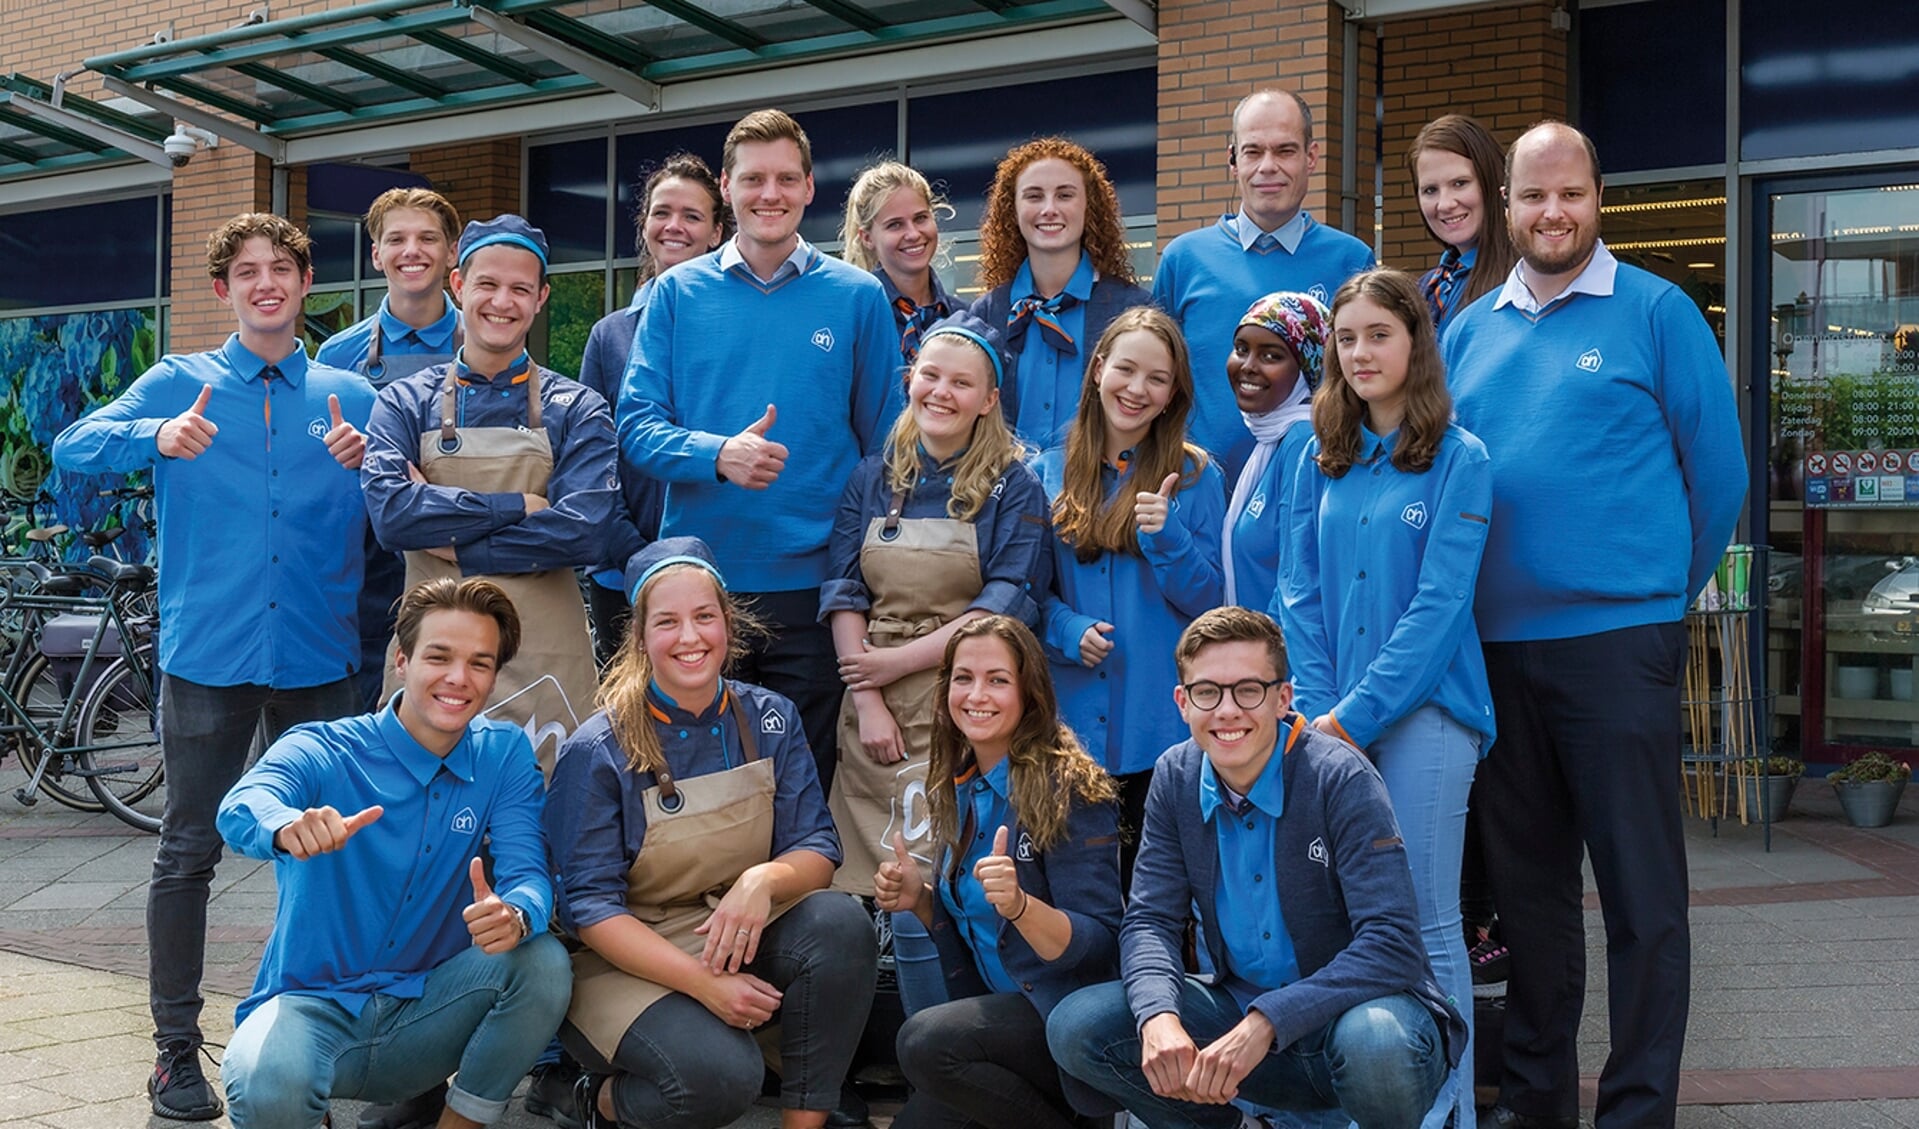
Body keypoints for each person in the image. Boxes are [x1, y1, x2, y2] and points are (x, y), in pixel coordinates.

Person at [1440, 122, 1746, 1129]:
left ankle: (1634, 1110)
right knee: (1527, 905)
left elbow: (1718, 479)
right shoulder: (1468, 330)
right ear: (1505, 202)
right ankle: (1536, 1107)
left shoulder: (1656, 313)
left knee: (1639, 902)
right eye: (1531, 198)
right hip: (1495, 656)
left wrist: (1652, 595)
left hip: (1618, 648)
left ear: (1597, 196)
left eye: (1567, 194)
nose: (1550, 214)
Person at [51, 212, 375, 1122]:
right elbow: (77, 445)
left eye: (282, 267)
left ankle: (313, 1032)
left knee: (325, 857)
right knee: (187, 850)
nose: (265, 281)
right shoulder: (176, 383)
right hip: (209, 658)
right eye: (246, 270)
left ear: (308, 282)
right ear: (223, 289)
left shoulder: (351, 393)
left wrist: (371, 461)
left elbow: (406, 505)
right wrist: (154, 438)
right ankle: (172, 1051)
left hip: (320, 656)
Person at [1044, 607, 1465, 1129]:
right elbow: (1151, 919)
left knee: (1377, 1040)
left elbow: (1392, 941)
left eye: (1249, 690)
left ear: (1282, 698)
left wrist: (1269, 1020)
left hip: (1348, 1021)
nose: (1227, 711)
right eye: (1207, 692)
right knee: (1079, 1025)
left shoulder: (1339, 777)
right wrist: (1158, 1015)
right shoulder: (1175, 776)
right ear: (1182, 702)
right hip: (1240, 1023)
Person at [544, 537, 876, 1129]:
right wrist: (702, 984)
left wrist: (762, 879)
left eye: (704, 617)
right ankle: (590, 1096)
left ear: (729, 621)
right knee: (720, 1079)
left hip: (731, 924)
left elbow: (819, 850)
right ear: (640, 637)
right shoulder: (597, 750)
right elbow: (590, 910)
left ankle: (806, 1118)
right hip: (623, 957)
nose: (690, 638)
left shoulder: (771, 717)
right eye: (667, 622)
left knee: (840, 922)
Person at [216, 577, 571, 1129]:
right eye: (439, 656)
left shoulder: (502, 755)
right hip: (311, 1009)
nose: (459, 678)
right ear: (401, 660)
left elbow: (530, 871)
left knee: (542, 961)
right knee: (268, 1083)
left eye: (480, 663)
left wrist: (517, 913)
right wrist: (286, 825)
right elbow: (244, 803)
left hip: (430, 1012)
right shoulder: (324, 747)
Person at [619, 108, 903, 792]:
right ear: (726, 187)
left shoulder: (858, 296)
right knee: (698, 780)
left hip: (816, 591)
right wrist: (718, 454)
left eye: (784, 178)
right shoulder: (674, 295)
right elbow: (634, 425)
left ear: (809, 188)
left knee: (800, 780)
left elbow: (888, 449)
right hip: (701, 586)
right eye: (752, 179)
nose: (768, 193)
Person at [1277, 269, 1495, 1129]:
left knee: (1427, 915)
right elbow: (1295, 592)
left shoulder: (1460, 458)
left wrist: (1351, 720)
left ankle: (1449, 1110)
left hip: (1428, 716)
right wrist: (1324, 717)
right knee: (1343, 914)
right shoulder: (1314, 451)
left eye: (1379, 334)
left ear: (1415, 343)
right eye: (1347, 337)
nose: (1361, 352)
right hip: (1327, 719)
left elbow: (1439, 609)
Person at [362, 215, 618, 775]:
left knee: (549, 821)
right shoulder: (403, 403)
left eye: (521, 289)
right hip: (434, 654)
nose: (503, 302)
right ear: (458, 286)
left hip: (545, 659)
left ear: (541, 298)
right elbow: (393, 516)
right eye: (488, 285)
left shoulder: (579, 409)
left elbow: (587, 530)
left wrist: (459, 549)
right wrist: (515, 507)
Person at [822, 311, 1047, 897]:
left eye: (961, 383)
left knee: (944, 869)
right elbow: (844, 591)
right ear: (910, 380)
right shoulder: (870, 477)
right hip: (872, 704)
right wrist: (868, 697)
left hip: (967, 697)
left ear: (989, 399)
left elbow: (1001, 608)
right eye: (931, 376)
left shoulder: (1013, 485)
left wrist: (895, 663)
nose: (941, 393)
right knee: (863, 871)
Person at [872, 615, 1122, 1129]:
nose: (976, 694)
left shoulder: (1072, 789)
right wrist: (920, 898)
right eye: (963, 678)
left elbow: (1103, 945)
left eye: (997, 680)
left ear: (1029, 692)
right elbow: (972, 932)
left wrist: (1022, 908)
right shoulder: (962, 779)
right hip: (993, 1030)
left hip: (1061, 1026)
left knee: (924, 1043)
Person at [1035, 307, 1224, 878]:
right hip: (1069, 726)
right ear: (1097, 370)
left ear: (1173, 394)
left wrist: (1168, 537)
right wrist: (1067, 629)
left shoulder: (1196, 476)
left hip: (1158, 729)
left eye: (1158, 379)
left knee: (1156, 892)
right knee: (1080, 892)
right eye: (1126, 369)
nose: (1137, 390)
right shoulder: (1043, 472)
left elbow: (1212, 603)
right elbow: (1021, 593)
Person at [1152, 89, 1375, 478]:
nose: (1268, 167)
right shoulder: (1183, 260)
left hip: (1316, 487)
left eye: (1285, 151)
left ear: (1311, 158)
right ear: (1233, 160)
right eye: (1253, 152)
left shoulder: (1352, 262)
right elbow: (1155, 376)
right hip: (1199, 489)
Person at [317, 188, 466, 711]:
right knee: (367, 698)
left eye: (428, 238)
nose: (412, 251)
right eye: (396, 239)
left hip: (460, 544)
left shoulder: (485, 340)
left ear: (452, 251)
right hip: (369, 555)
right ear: (376, 254)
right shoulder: (339, 353)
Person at [578, 154, 727, 667]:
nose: (675, 227)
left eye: (692, 216)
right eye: (662, 212)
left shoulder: (736, 328)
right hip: (622, 573)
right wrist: (635, 555)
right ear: (644, 226)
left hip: (722, 570)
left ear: (716, 232)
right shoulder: (610, 335)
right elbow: (591, 463)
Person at [968, 137, 1151, 450]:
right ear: (1013, 208)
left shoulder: (1132, 310)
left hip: (1103, 494)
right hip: (1004, 495)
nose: (1049, 209)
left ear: (1088, 206)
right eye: (1034, 196)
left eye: (1065, 195)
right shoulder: (986, 314)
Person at [1219, 291, 1330, 610]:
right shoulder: (1271, 439)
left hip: (1279, 654)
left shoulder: (1304, 443)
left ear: (1308, 366)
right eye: (1241, 350)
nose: (1248, 367)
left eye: (1271, 356)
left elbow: (1302, 582)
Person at [840, 160, 960, 364]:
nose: (913, 234)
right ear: (867, 238)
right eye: (895, 225)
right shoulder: (851, 318)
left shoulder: (964, 318)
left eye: (921, 218)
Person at [1408, 114, 1518, 336]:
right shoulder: (1427, 288)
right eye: (1430, 190)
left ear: (1493, 182)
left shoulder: (1526, 280)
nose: (1445, 204)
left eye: (1460, 183)